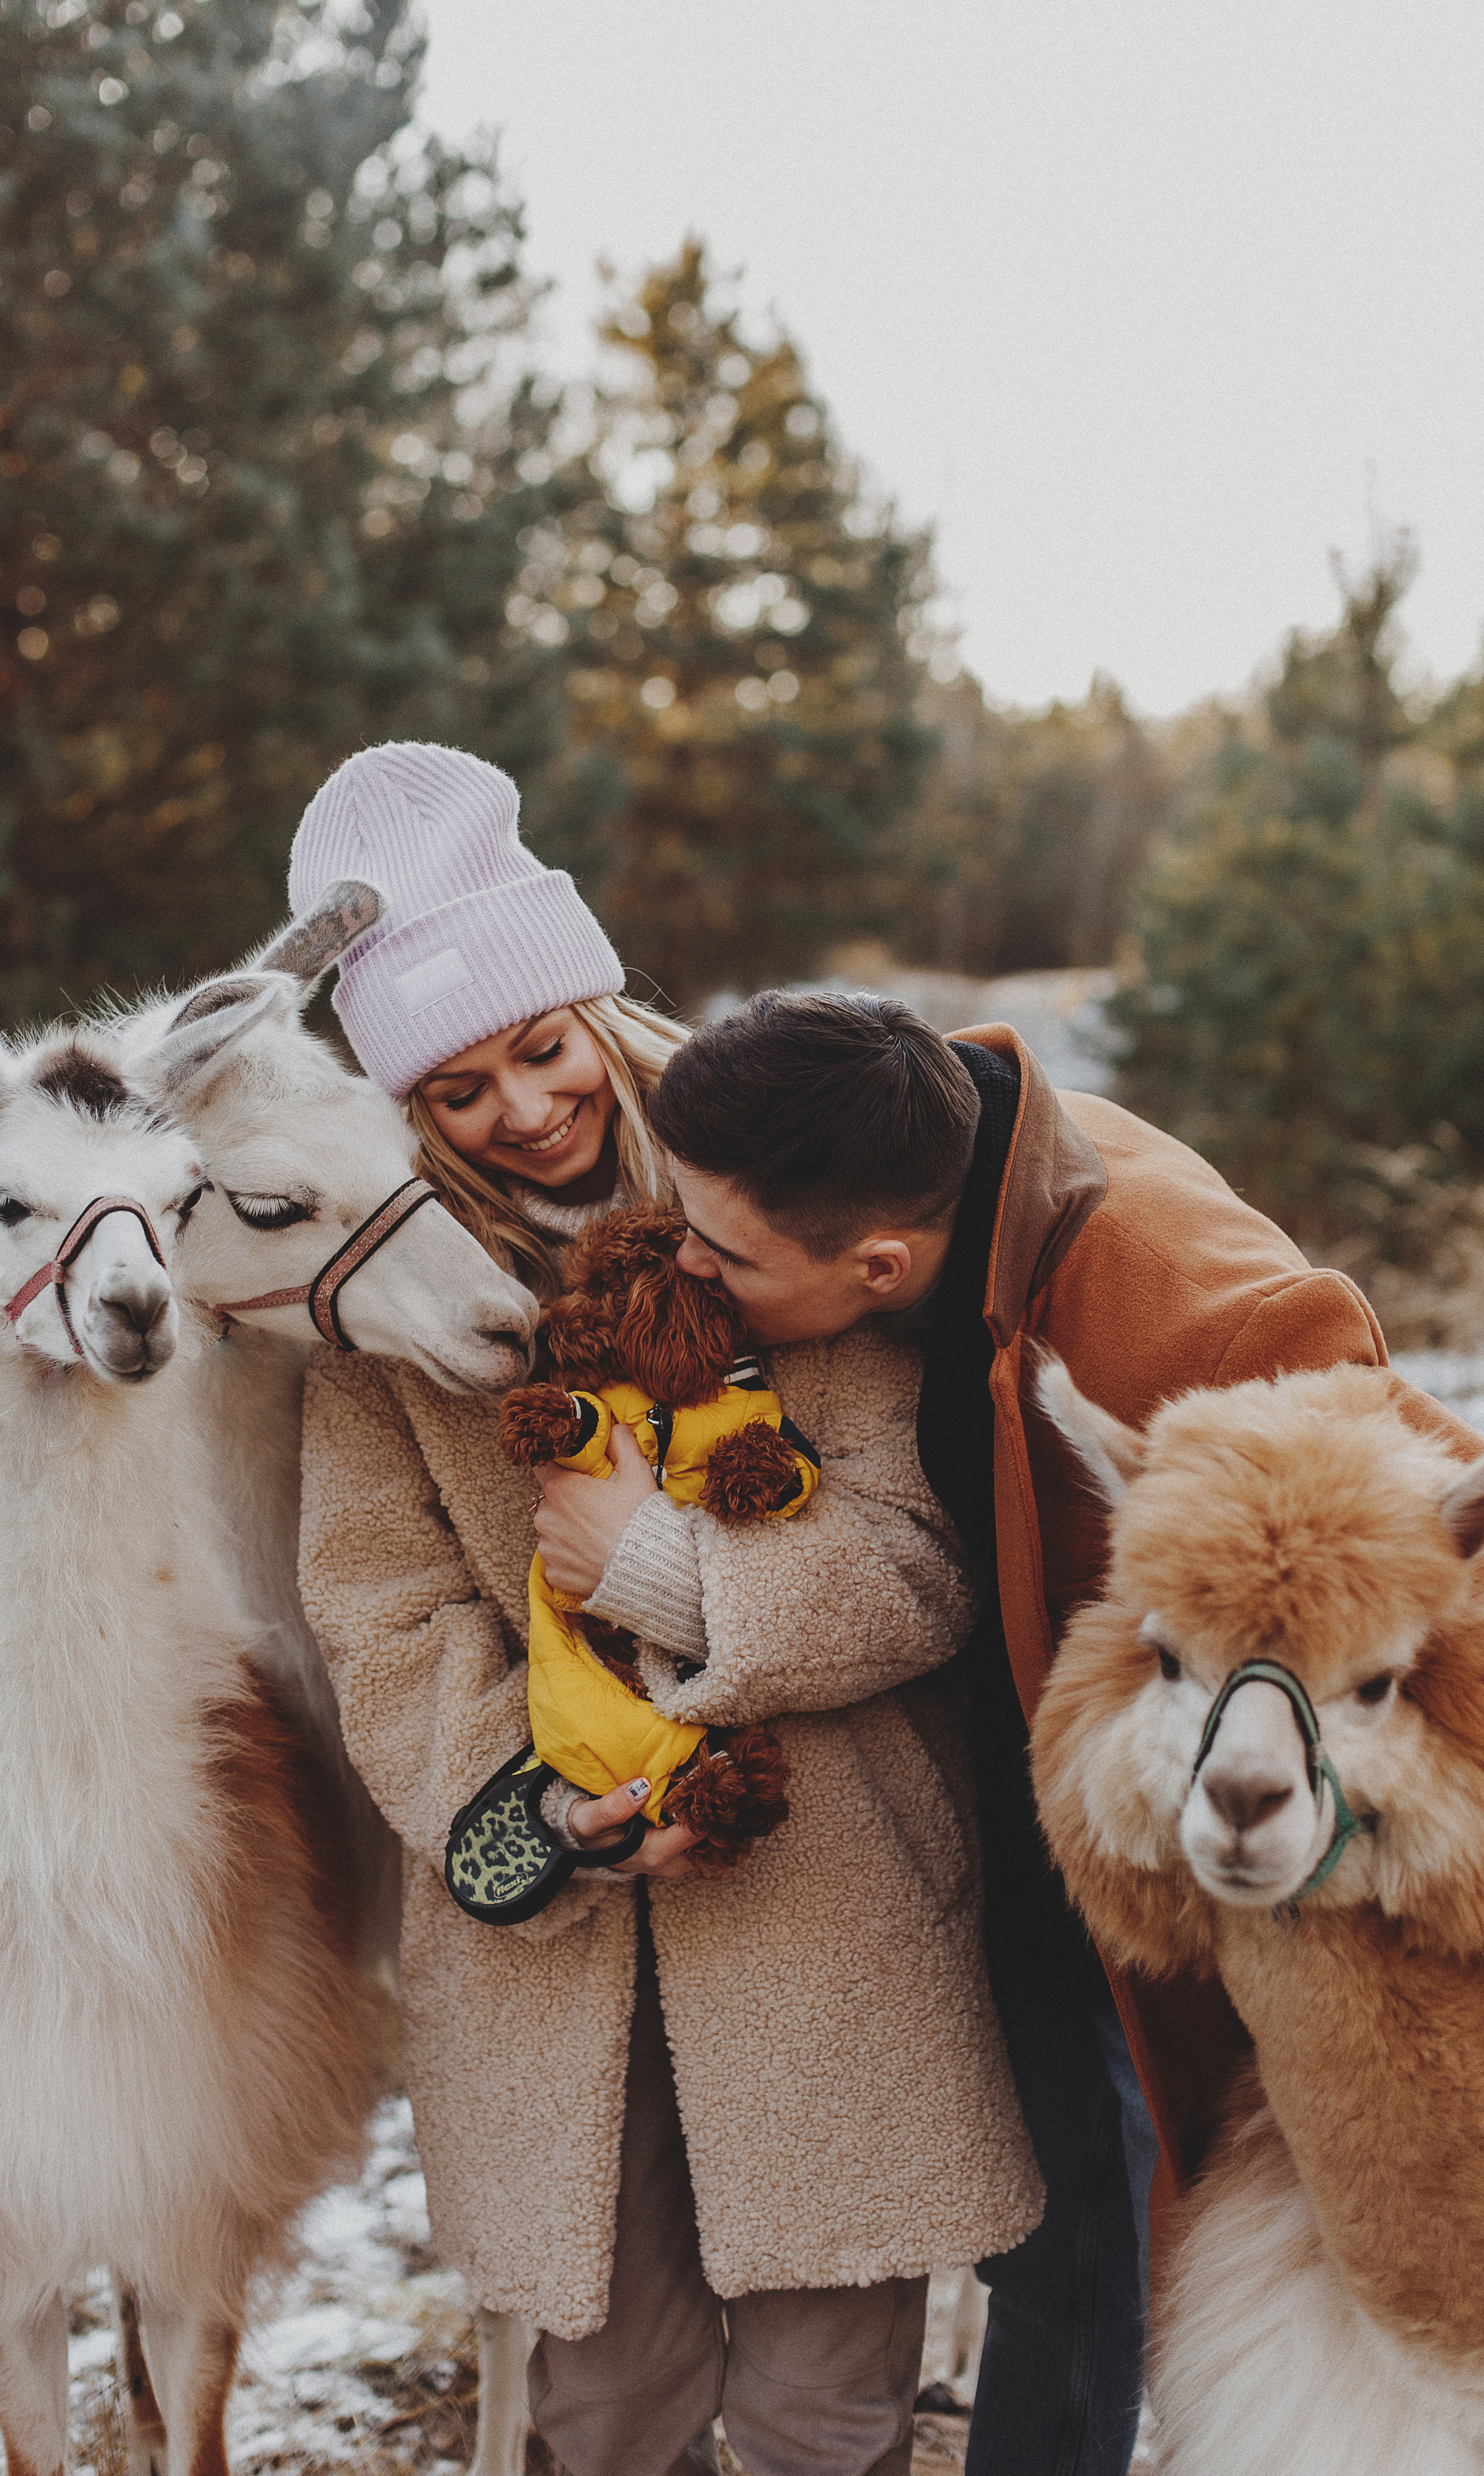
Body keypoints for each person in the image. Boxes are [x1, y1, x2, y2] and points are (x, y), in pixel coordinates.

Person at [523, 983, 1477, 2476]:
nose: (687, 1268)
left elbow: (1438, 1518)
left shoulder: (1209, 1318)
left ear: (879, 1263)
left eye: (722, 1252)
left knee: (1082, 2217)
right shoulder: (912, 1149)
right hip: (972, 1766)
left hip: (1147, 1813)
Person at [289, 742, 1043, 2476]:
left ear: (591, 1003)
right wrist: (538, 1804)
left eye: (539, 1049)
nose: (520, 1110)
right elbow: (381, 1603)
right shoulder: (376, 1307)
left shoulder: (761, 1191)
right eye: (455, 1088)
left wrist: (656, 1566)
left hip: (826, 1888)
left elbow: (917, 1556)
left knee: (822, 2403)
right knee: (607, 2405)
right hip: (562, 1921)